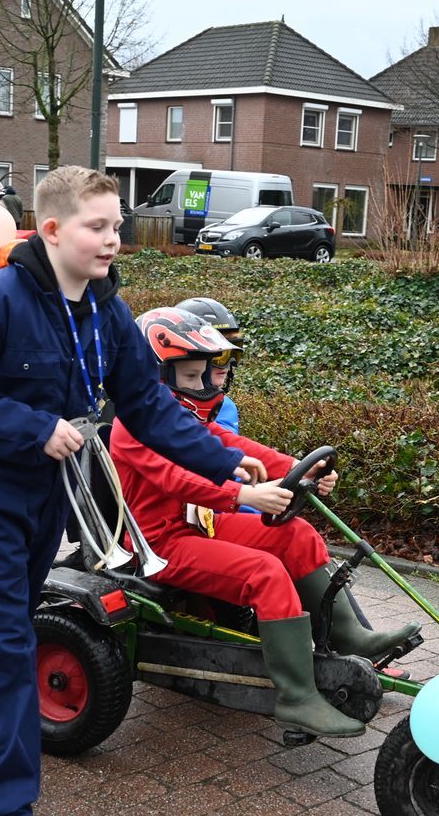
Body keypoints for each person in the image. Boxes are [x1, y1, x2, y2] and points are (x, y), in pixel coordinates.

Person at [0, 165, 258, 816]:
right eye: (97, 226)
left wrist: (228, 463)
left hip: (49, 498)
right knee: (6, 644)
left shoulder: (109, 311)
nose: (113, 239)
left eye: (116, 225)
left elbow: (149, 407)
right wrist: (33, 426)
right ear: (51, 230)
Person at [112, 307, 418, 736]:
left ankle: (349, 636)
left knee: (296, 535)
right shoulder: (131, 428)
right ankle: (297, 697)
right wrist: (242, 495)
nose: (202, 386)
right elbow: (175, 479)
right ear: (156, 376)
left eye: (205, 375)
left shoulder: (180, 422)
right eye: (191, 377)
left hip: (199, 527)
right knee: (265, 573)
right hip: (158, 545)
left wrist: (298, 466)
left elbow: (233, 443)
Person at [174, 296, 244, 432]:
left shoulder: (224, 407)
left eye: (232, 353)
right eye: (218, 355)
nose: (227, 365)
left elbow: (220, 441)